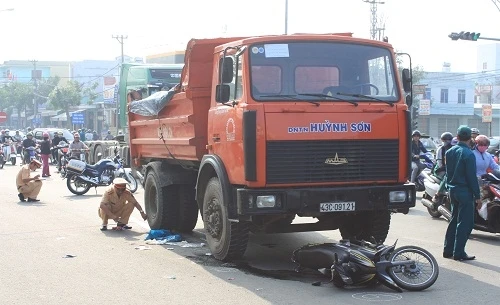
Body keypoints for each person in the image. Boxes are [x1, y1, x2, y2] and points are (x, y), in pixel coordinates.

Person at [443, 125, 480, 261]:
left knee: (454, 220)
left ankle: (448, 250)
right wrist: (478, 196)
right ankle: (459, 252)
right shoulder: (469, 154)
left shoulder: (449, 152)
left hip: (453, 190)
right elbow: (471, 177)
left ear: (457, 137)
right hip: (465, 191)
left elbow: (448, 174)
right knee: (465, 223)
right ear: (470, 138)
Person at [432, 132, 453, 204]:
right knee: (447, 176)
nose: (447, 142)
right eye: (445, 140)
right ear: (442, 140)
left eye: (449, 140)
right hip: (440, 170)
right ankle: (437, 194)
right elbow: (440, 163)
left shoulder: (453, 149)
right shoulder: (440, 149)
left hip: (450, 169)